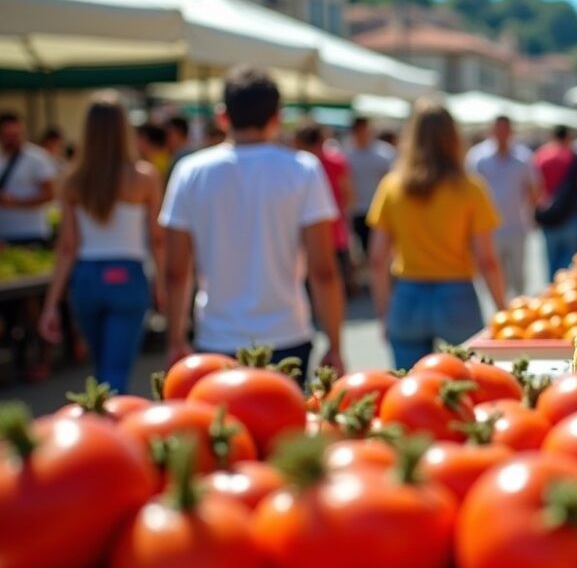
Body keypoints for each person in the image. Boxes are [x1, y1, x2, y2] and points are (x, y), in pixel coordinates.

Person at [160, 65, 344, 376]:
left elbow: (176, 271)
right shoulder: (303, 170)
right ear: (277, 117)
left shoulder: (190, 172)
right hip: (288, 332)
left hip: (217, 336)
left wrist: (175, 339)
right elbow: (323, 270)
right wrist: (336, 345)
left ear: (222, 116)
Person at [38, 93, 164, 394]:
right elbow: (157, 239)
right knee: (116, 370)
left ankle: (99, 429)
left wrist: (51, 304)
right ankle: (112, 434)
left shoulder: (73, 180)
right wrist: (162, 286)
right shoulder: (144, 177)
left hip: (87, 279)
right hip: (128, 276)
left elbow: (67, 247)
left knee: (100, 368)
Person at [367, 102, 506, 370]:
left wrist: (384, 313)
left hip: (407, 295)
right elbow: (487, 259)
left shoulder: (392, 186)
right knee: (469, 382)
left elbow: (376, 259)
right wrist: (502, 310)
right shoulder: (471, 188)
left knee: (408, 390)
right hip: (457, 295)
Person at [466, 115, 538, 299]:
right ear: (492, 131)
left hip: (517, 228)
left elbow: (533, 189)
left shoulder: (523, 157)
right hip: (488, 232)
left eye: (506, 130)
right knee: (493, 279)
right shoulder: (477, 158)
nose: (502, 134)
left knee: (519, 279)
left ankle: (518, 316)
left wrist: (531, 213)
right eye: (499, 130)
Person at [296, 123, 355, 287]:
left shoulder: (296, 166)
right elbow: (349, 195)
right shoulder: (337, 162)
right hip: (335, 231)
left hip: (304, 236)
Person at [533, 125, 577, 276]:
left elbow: (534, 188)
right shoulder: (574, 158)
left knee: (552, 260)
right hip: (571, 214)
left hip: (548, 215)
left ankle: (554, 293)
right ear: (567, 137)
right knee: (571, 262)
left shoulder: (539, 157)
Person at [0, 112, 58, 246]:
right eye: (7, 136)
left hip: (32, 232)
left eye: (15, 135)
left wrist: (16, 202)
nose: (12, 139)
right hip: (4, 234)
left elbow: (50, 194)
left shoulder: (37, 157)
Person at [342, 116, 394, 262]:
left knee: (379, 252)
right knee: (363, 253)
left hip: (380, 211)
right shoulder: (346, 154)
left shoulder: (384, 153)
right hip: (357, 211)